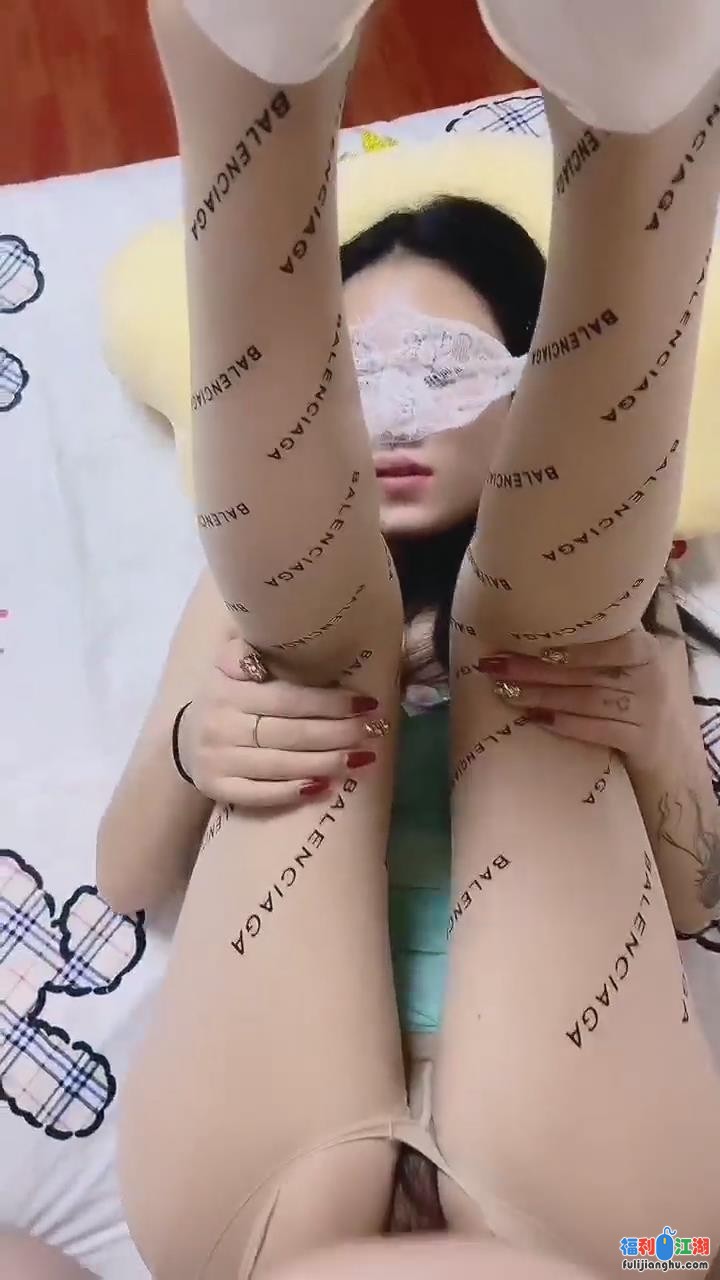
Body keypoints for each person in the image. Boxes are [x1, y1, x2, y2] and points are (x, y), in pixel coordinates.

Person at [97, 3, 720, 1276]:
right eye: (356, 380)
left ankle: (639, 122)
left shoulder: (627, 612)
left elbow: (696, 898)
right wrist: (194, 745)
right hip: (625, 1241)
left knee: (542, 655)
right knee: (321, 646)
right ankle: (264, 75)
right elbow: (124, 877)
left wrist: (665, 735)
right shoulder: (237, 608)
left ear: (527, 400)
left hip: (530, 1175)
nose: (393, 419)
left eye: (443, 370)